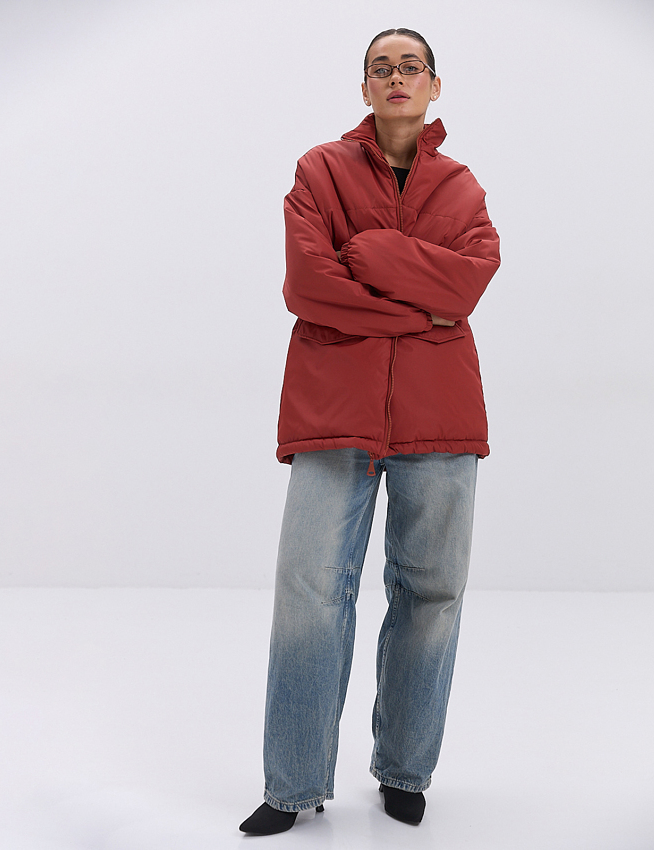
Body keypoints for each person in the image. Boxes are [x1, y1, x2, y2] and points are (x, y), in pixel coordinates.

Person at [239, 27, 500, 836]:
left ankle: (405, 771)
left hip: (440, 415)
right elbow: (307, 285)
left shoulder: (462, 189)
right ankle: (293, 785)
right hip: (334, 413)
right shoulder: (319, 171)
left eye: (410, 66)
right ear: (363, 89)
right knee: (311, 594)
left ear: (434, 85)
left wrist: (376, 252)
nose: (396, 77)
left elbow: (470, 283)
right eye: (380, 67)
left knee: (432, 593)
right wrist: (420, 311)